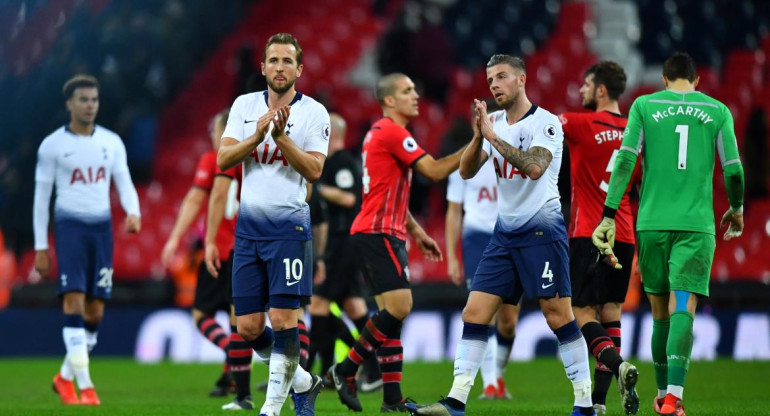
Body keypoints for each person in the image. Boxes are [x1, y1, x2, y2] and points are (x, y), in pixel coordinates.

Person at [407, 55, 595, 416]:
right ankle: (456, 401)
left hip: (542, 231)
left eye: (502, 77)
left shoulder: (546, 124)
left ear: (521, 80)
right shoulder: (491, 122)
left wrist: (494, 137)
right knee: (475, 312)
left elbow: (536, 168)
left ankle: (584, 404)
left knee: (558, 316)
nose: (494, 84)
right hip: (504, 233)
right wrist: (479, 138)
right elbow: (464, 172)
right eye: (490, 79)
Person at [592, 52, 745, 416]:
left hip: (650, 224)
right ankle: (674, 398)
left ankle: (662, 396)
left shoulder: (644, 105)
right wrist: (736, 207)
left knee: (659, 312)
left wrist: (609, 215)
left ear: (663, 79)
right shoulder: (718, 110)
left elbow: (626, 160)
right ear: (696, 81)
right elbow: (734, 171)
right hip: (694, 226)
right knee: (684, 307)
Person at [328, 72, 467, 413]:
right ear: (389, 100)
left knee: (392, 317)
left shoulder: (379, 133)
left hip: (382, 231)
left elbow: (387, 193)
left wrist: (418, 233)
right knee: (400, 307)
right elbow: (433, 171)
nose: (416, 95)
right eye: (407, 91)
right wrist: (478, 141)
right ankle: (346, 371)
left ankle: (391, 399)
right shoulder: (390, 131)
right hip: (378, 234)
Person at [216, 32, 327, 416]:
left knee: (282, 319)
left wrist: (282, 139)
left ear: (299, 68)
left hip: (288, 231)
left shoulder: (314, 113)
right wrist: (257, 136)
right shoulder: (244, 106)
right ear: (262, 67)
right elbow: (223, 159)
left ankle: (272, 408)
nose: (280, 67)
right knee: (247, 327)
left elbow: (314, 169)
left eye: (288, 61)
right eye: (274, 60)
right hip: (248, 231)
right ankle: (305, 383)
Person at [34, 74, 141, 405]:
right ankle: (86, 386)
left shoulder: (111, 142)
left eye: (94, 100)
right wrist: (41, 245)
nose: (89, 105)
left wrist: (133, 211)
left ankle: (64, 378)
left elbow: (123, 182)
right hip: (70, 230)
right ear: (69, 104)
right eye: (83, 100)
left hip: (102, 230)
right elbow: (41, 198)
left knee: (95, 312)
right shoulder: (52, 146)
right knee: (74, 302)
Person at [559, 62, 639, 415]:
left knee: (581, 311)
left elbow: (540, 123)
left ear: (601, 90)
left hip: (589, 230)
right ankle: (601, 402)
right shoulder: (637, 132)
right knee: (612, 312)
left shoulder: (578, 123)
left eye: (587, 84)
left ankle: (618, 364)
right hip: (623, 231)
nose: (582, 91)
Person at [160, 109, 237, 397]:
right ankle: (233, 372)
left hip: (218, 249)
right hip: (251, 249)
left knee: (202, 315)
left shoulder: (214, 158)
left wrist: (175, 238)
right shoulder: (253, 158)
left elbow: (196, 198)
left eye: (214, 132)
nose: (212, 138)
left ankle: (234, 355)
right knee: (237, 318)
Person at [307, 113, 381, 389]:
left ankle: (307, 372)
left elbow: (350, 197)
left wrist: (317, 189)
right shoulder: (327, 163)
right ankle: (371, 367)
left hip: (342, 241)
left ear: (330, 133)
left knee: (319, 305)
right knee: (354, 306)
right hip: (345, 242)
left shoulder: (341, 162)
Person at [445, 150, 519, 400]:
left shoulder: (513, 156)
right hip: (476, 238)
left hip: (510, 235)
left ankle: (497, 374)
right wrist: (453, 257)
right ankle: (490, 384)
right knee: (482, 313)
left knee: (508, 322)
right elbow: (454, 211)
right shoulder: (464, 162)